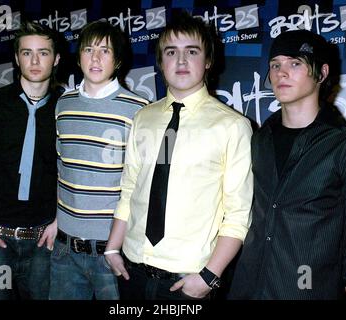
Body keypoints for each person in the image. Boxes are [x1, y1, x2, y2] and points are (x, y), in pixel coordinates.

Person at [104, 11, 253, 300]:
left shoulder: (232, 126)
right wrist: (112, 247)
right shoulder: (143, 118)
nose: (181, 61)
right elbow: (130, 189)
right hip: (131, 272)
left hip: (188, 283)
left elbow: (237, 214)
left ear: (208, 60)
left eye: (192, 51)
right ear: (161, 62)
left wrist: (209, 276)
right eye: (171, 52)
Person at [228, 29, 346, 300]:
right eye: (275, 65)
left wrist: (339, 280)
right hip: (247, 285)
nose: (282, 73)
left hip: (309, 289)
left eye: (295, 63)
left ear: (322, 73)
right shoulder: (257, 140)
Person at [48, 20, 148, 300]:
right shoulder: (63, 104)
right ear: (78, 56)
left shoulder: (139, 109)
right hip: (65, 249)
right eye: (88, 49)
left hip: (112, 252)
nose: (95, 57)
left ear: (117, 60)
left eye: (105, 51)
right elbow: (61, 167)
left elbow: (144, 184)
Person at [0, 21, 61, 299]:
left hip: (45, 242)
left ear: (56, 59)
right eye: (26, 52)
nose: (34, 60)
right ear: (17, 58)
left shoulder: (65, 108)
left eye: (43, 52)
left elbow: (74, 171)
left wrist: (60, 222)